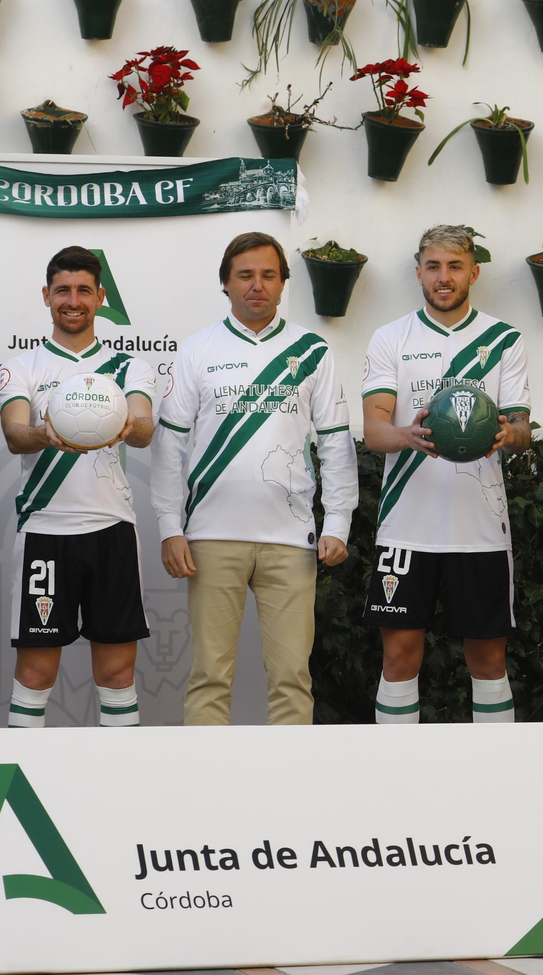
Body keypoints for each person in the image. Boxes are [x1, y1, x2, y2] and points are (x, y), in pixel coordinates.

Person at [152, 231, 357, 726]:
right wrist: (169, 527)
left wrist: (338, 523)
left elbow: (335, 441)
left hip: (291, 539)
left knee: (291, 678)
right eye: (245, 275)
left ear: (284, 282)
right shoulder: (198, 349)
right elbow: (170, 445)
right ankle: (206, 775)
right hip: (210, 537)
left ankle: (289, 778)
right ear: (225, 282)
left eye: (268, 275)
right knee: (209, 677)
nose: (257, 285)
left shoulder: (312, 350)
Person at [360, 225, 533, 724]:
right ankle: (398, 769)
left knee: (488, 661)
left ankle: (492, 768)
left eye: (455, 267)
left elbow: (522, 428)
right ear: (418, 272)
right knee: (399, 657)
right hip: (406, 527)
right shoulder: (391, 337)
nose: (443, 277)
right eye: (433, 266)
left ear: (473, 273)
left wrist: (507, 434)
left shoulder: (504, 339)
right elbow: (374, 431)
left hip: (480, 529)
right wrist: (407, 436)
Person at [0, 246, 157, 727]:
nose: (73, 300)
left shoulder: (128, 367)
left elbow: (145, 428)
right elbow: (14, 434)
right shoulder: (21, 367)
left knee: (117, 673)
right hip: (45, 531)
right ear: (46, 296)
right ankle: (25, 771)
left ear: (100, 298)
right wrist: (44, 434)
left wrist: (130, 425)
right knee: (35, 672)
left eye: (84, 290)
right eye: (62, 290)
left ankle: (117, 774)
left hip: (113, 529)